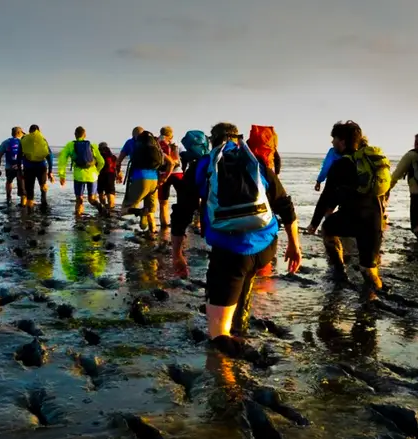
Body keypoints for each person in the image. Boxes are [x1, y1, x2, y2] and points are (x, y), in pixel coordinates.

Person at [171, 122, 302, 345]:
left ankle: (230, 370)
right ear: (237, 139)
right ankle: (240, 330)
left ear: (212, 141)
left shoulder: (204, 165)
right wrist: (294, 245)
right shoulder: (256, 162)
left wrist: (177, 253)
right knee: (244, 283)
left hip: (230, 251)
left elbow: (182, 212)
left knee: (218, 333)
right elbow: (284, 205)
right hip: (265, 245)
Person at [306, 120, 389, 300]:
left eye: (334, 139)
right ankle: (372, 304)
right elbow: (383, 192)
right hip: (374, 220)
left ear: (342, 141)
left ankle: (339, 272)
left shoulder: (341, 164)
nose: (332, 143)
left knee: (327, 229)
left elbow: (327, 197)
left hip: (352, 217)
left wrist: (314, 223)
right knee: (369, 270)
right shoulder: (370, 163)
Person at [120, 130, 164, 233]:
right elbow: (169, 162)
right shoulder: (154, 145)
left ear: (134, 135)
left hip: (140, 179)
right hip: (154, 180)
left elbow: (119, 160)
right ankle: (152, 233)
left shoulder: (131, 143)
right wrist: (164, 178)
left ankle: (140, 212)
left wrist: (118, 171)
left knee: (124, 210)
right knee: (150, 210)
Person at [58, 126, 106, 217]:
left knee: (79, 199)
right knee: (91, 199)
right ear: (85, 135)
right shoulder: (92, 145)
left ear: (75, 135)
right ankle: (101, 208)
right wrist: (97, 172)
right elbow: (102, 162)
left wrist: (62, 175)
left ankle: (78, 217)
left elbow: (62, 160)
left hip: (79, 176)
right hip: (92, 176)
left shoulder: (70, 145)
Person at [20, 124, 54, 213]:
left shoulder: (24, 139)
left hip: (28, 168)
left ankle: (30, 213)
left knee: (30, 191)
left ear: (29, 131)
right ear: (39, 131)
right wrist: (50, 171)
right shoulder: (43, 139)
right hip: (41, 167)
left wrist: (20, 170)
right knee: (43, 185)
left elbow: (19, 156)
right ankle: (44, 203)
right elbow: (50, 157)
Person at [156, 126, 182, 228]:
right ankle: (180, 225)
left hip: (162, 174)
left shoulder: (156, 143)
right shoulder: (176, 143)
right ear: (171, 134)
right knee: (181, 201)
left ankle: (164, 226)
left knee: (163, 203)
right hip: (177, 173)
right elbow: (179, 159)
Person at [0, 127, 26, 205]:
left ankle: (8, 198)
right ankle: (23, 201)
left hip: (9, 167)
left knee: (9, 182)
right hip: (21, 167)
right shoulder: (23, 142)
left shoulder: (6, 142)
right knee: (22, 182)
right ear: (20, 133)